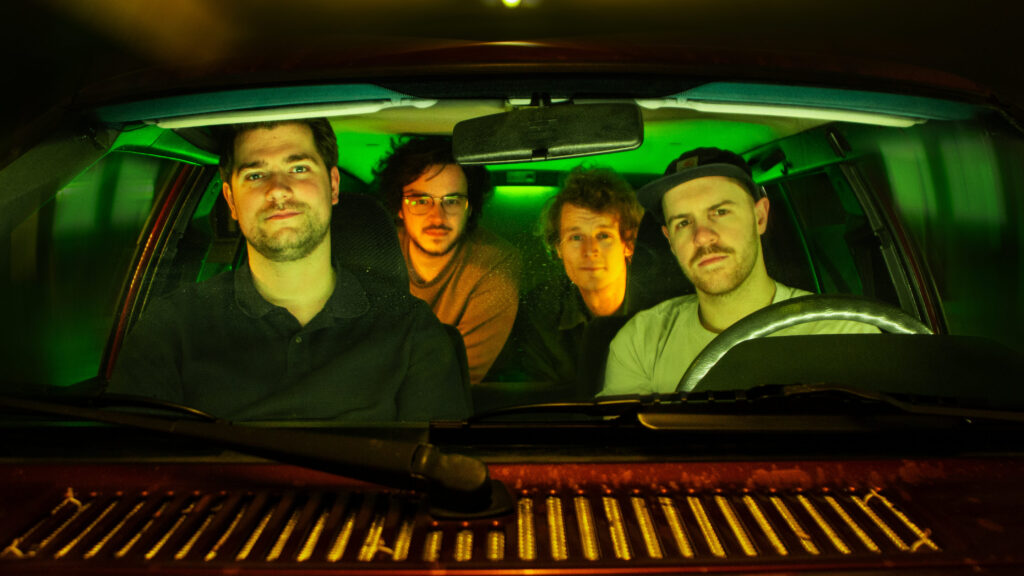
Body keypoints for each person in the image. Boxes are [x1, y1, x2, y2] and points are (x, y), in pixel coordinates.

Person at [109, 119, 471, 421]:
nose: (278, 190)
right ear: (231, 199)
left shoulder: (411, 330)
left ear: (332, 186)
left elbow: (438, 472)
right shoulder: (171, 328)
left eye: (298, 169)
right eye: (255, 175)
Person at [602, 147, 877, 396]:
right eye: (683, 223)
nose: (702, 236)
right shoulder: (642, 340)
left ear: (760, 217)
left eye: (720, 212)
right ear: (670, 241)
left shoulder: (841, 334)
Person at [375, 137, 521, 385]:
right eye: (420, 201)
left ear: (470, 208)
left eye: (452, 201)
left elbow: (458, 378)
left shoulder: (495, 264)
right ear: (399, 207)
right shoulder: (374, 250)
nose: (437, 217)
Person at [513, 166, 649, 391]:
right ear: (558, 248)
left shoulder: (662, 308)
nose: (590, 250)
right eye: (576, 237)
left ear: (628, 244)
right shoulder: (539, 313)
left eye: (603, 235)